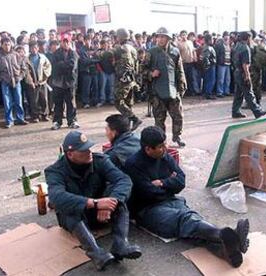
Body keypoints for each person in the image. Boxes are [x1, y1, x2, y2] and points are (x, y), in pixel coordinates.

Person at [124, 126, 250, 268]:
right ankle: (227, 234)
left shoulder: (164, 156)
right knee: (185, 220)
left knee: (193, 225)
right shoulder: (133, 165)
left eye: (165, 143)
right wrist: (169, 184)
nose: (165, 148)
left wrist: (162, 183)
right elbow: (149, 192)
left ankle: (226, 250)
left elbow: (181, 180)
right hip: (147, 210)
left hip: (172, 200)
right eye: (160, 146)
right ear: (148, 149)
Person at [45, 130, 142, 271]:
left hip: (100, 213)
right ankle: (96, 254)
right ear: (70, 154)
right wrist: (93, 203)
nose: (89, 152)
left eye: (89, 148)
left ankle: (121, 244)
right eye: (83, 150)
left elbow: (123, 180)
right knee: (68, 208)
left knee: (119, 201)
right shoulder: (55, 171)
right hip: (77, 219)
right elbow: (56, 197)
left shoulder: (100, 161)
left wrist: (109, 204)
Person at [145, 27, 187, 147]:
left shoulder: (175, 52)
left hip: (173, 90)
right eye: (159, 36)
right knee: (159, 119)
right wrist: (151, 74)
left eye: (163, 37)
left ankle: (177, 136)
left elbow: (180, 70)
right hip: (157, 91)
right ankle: (161, 141)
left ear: (168, 38)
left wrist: (182, 86)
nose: (161, 39)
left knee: (178, 116)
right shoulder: (151, 52)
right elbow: (141, 70)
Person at [0, 38, 28, 128]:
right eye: (5, 44)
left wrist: (19, 77)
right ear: (2, 45)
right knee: (7, 102)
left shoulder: (16, 55)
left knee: (18, 101)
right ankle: (9, 121)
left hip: (16, 81)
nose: (7, 46)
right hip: (5, 82)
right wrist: (1, 79)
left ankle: (20, 118)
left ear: (11, 44)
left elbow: (23, 68)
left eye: (9, 44)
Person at [231, 31, 266, 119]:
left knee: (238, 93)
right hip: (243, 72)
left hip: (237, 71)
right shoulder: (245, 48)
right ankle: (257, 111)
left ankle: (235, 111)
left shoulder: (236, 46)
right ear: (247, 38)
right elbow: (245, 64)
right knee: (248, 92)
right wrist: (247, 76)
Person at [112, 28, 142, 131]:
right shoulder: (133, 48)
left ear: (119, 37)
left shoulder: (119, 48)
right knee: (128, 102)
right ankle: (127, 126)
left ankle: (134, 118)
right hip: (131, 78)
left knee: (118, 101)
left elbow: (107, 56)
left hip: (122, 79)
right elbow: (137, 65)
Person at [50, 38, 80, 130]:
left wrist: (62, 64)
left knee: (71, 102)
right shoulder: (55, 54)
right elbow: (55, 66)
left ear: (70, 43)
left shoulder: (73, 53)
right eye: (64, 42)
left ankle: (72, 121)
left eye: (67, 42)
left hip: (70, 82)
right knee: (58, 103)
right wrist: (64, 65)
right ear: (61, 43)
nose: (65, 43)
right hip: (58, 82)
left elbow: (72, 66)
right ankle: (57, 122)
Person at [25, 41, 52, 122]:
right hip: (32, 83)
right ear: (29, 49)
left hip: (42, 82)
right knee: (34, 100)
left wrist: (44, 77)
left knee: (44, 99)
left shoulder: (42, 57)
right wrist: (31, 82)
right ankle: (35, 116)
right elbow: (26, 72)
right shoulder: (27, 59)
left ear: (38, 48)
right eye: (32, 48)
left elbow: (48, 66)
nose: (34, 49)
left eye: (35, 48)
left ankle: (45, 114)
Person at [215, 31, 231, 97]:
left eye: (228, 35)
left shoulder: (229, 44)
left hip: (228, 64)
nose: (227, 37)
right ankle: (219, 92)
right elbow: (217, 54)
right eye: (225, 35)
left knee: (227, 79)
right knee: (221, 79)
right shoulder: (219, 45)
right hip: (221, 64)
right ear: (223, 37)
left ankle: (226, 91)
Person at [201, 34, 217, 99]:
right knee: (211, 80)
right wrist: (208, 64)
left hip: (209, 66)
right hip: (210, 66)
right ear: (209, 40)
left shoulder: (208, 47)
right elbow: (205, 57)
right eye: (212, 39)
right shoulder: (208, 47)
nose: (213, 40)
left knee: (208, 80)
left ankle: (207, 93)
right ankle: (208, 93)